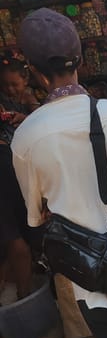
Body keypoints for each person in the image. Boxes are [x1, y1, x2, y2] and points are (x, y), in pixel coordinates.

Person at [12, 8, 107, 338]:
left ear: (33, 71)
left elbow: (37, 218)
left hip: (96, 286)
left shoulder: (25, 138)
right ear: (79, 59)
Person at [0, 52, 39, 299]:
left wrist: (27, 114)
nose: (10, 89)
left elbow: (40, 121)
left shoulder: (28, 100)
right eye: (5, 85)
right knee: (16, 240)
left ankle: (23, 293)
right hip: (8, 168)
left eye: (15, 84)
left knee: (19, 236)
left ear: (26, 80)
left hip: (18, 169)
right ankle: (23, 294)